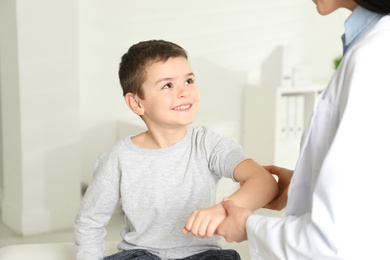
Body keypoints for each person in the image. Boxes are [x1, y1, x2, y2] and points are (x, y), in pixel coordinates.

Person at [216, 0, 390, 259]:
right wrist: (305, 183)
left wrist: (249, 227)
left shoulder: (374, 54)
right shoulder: (370, 44)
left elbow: (334, 241)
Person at [74, 40, 278, 260]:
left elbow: (265, 182)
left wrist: (221, 210)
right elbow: (90, 222)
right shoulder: (116, 158)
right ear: (136, 103)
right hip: (141, 254)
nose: (184, 92)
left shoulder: (209, 144)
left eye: (189, 80)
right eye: (167, 85)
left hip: (202, 254)